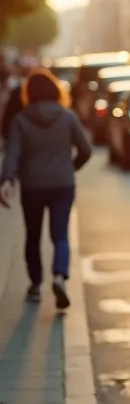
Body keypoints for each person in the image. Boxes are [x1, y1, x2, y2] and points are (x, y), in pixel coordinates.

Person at [0, 68, 92, 309]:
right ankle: (59, 275)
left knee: (32, 235)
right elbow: (86, 150)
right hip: (63, 183)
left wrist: (6, 180)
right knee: (60, 235)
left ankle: (35, 285)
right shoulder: (67, 116)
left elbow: (13, 154)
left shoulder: (21, 120)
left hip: (32, 186)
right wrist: (70, 168)